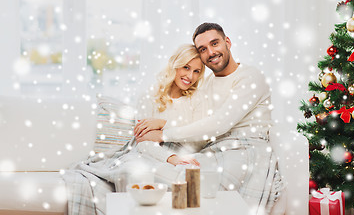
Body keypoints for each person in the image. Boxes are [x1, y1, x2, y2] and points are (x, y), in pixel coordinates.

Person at [134, 23, 285, 214]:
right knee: (179, 175)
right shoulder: (206, 84)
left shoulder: (250, 76)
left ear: (227, 42)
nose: (211, 52)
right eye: (203, 49)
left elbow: (220, 123)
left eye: (215, 43)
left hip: (247, 147)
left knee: (196, 184)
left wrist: (163, 133)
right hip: (214, 149)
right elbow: (197, 122)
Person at [62, 44, 208, 215]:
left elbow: (198, 136)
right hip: (148, 153)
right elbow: (143, 142)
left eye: (197, 71)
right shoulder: (150, 96)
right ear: (175, 64)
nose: (190, 76)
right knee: (132, 171)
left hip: (185, 153)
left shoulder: (198, 99)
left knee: (181, 175)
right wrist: (171, 158)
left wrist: (162, 125)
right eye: (186, 67)